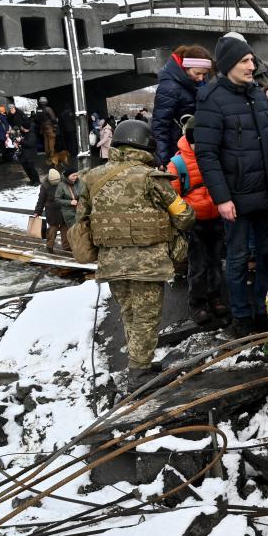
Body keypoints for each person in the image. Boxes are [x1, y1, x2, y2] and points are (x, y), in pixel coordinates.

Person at [76, 120, 195, 392]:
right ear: (145, 145)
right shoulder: (152, 178)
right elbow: (184, 216)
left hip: (110, 262)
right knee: (146, 317)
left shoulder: (92, 178)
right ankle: (138, 373)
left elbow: (82, 220)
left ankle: (140, 361)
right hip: (148, 263)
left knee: (129, 313)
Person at [194, 32, 268, 338]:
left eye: (251, 60)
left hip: (266, 193)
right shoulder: (211, 99)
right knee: (238, 259)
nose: (251, 65)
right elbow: (206, 153)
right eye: (245, 60)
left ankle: (265, 313)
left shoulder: (256, 93)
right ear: (230, 63)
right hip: (236, 198)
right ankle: (241, 318)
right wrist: (222, 198)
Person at [167, 116, 228, 325]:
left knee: (215, 263)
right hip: (194, 223)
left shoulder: (214, 156)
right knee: (198, 266)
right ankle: (198, 303)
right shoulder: (177, 164)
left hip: (216, 219)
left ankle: (215, 297)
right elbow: (170, 196)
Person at [152, 45, 214, 168]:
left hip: (194, 150)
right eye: (197, 73)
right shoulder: (169, 87)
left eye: (204, 74)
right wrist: (163, 160)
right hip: (176, 154)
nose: (201, 78)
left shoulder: (197, 83)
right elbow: (160, 126)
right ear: (185, 67)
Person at [34, 168, 70, 253]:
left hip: (63, 209)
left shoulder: (64, 181)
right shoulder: (45, 186)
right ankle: (49, 245)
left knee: (65, 228)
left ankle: (67, 246)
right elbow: (41, 200)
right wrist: (37, 212)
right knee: (53, 228)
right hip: (52, 211)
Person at [15, 115, 40, 185]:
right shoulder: (25, 133)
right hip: (24, 154)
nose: (21, 127)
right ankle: (32, 180)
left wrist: (21, 141)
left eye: (22, 126)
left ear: (24, 127)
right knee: (26, 168)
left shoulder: (32, 134)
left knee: (31, 168)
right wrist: (18, 143)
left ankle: (37, 181)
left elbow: (30, 144)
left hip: (30, 155)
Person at [37, 96, 59, 164]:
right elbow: (53, 118)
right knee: (51, 140)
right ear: (46, 102)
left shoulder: (38, 110)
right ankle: (51, 157)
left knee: (46, 141)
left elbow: (37, 119)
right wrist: (55, 124)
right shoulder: (48, 109)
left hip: (43, 127)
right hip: (49, 126)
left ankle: (47, 155)